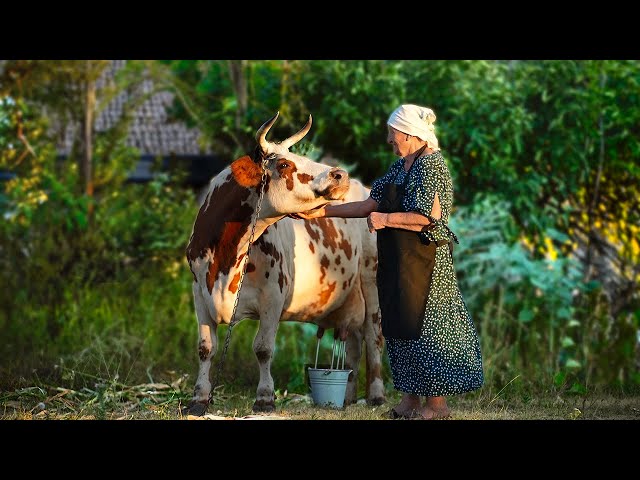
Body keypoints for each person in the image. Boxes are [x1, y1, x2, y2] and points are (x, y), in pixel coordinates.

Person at [295, 104, 484, 419]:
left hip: (427, 263)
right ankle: (409, 401)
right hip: (398, 260)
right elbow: (369, 204)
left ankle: (437, 406)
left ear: (410, 134)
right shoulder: (399, 167)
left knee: (427, 329)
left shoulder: (432, 165)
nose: (388, 139)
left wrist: (384, 219)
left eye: (392, 133)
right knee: (398, 326)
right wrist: (321, 211)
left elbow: (428, 218)